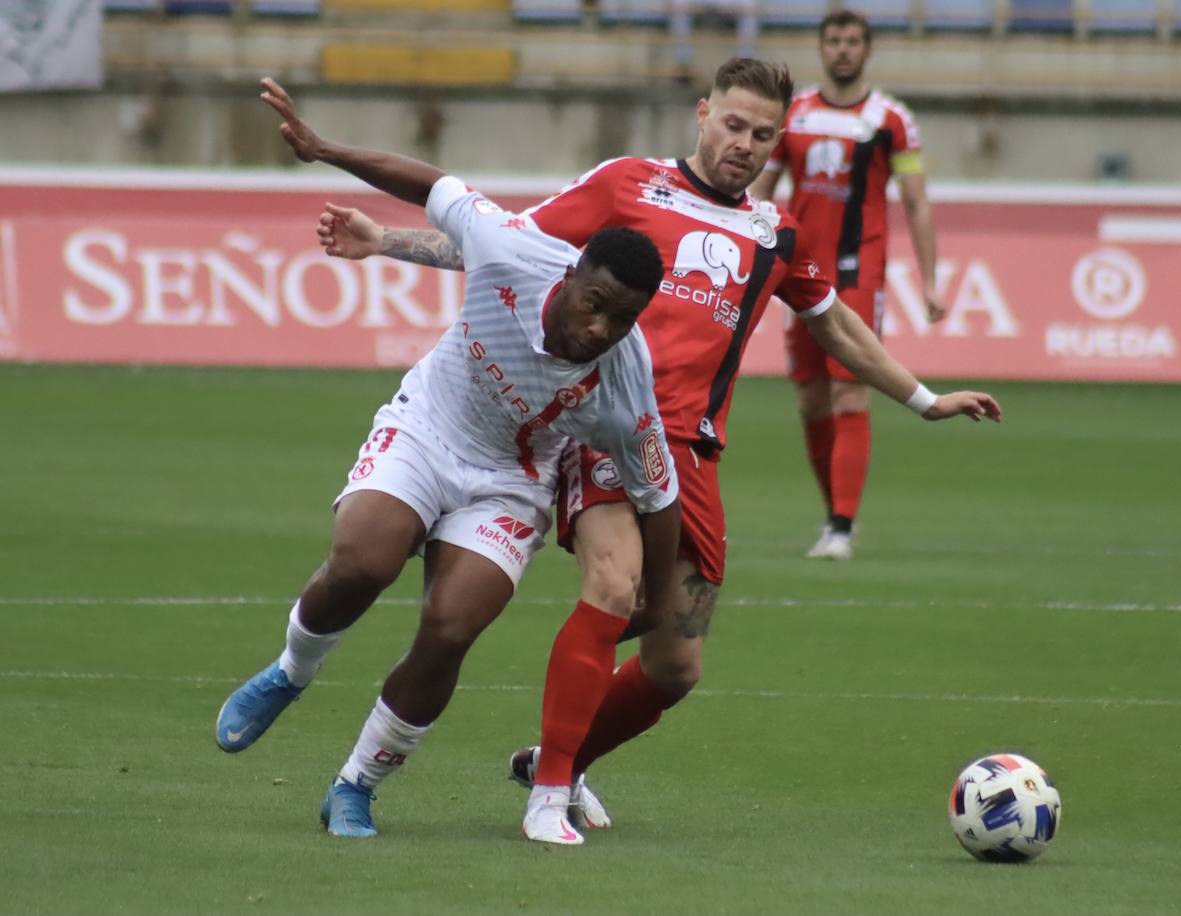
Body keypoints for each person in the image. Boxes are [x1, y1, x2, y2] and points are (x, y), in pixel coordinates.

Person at [317, 58, 1000, 834]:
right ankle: (546, 801)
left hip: (693, 462)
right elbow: (508, 245)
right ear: (704, 115)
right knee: (613, 587)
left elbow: (833, 323)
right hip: (605, 430)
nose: (745, 143)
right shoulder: (629, 184)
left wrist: (922, 397)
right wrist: (387, 243)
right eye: (734, 124)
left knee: (677, 664)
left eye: (763, 134)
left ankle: (557, 760)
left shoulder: (775, 234)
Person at [214, 78, 682, 846]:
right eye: (595, 302)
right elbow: (435, 186)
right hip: (430, 428)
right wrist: (325, 150)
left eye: (622, 318)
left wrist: (658, 599)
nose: (602, 328)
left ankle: (356, 785)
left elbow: (656, 495)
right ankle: (290, 672)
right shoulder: (511, 249)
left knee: (450, 626)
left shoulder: (627, 377)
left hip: (511, 479)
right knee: (363, 561)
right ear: (568, 277)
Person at [750, 9, 946, 560]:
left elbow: (915, 202)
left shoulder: (892, 120)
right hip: (799, 275)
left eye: (852, 41)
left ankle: (839, 527)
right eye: (833, 40)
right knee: (811, 401)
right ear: (821, 47)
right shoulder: (796, 114)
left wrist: (931, 282)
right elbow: (762, 192)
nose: (842, 49)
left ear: (867, 49)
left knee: (849, 389)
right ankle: (835, 514)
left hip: (859, 270)